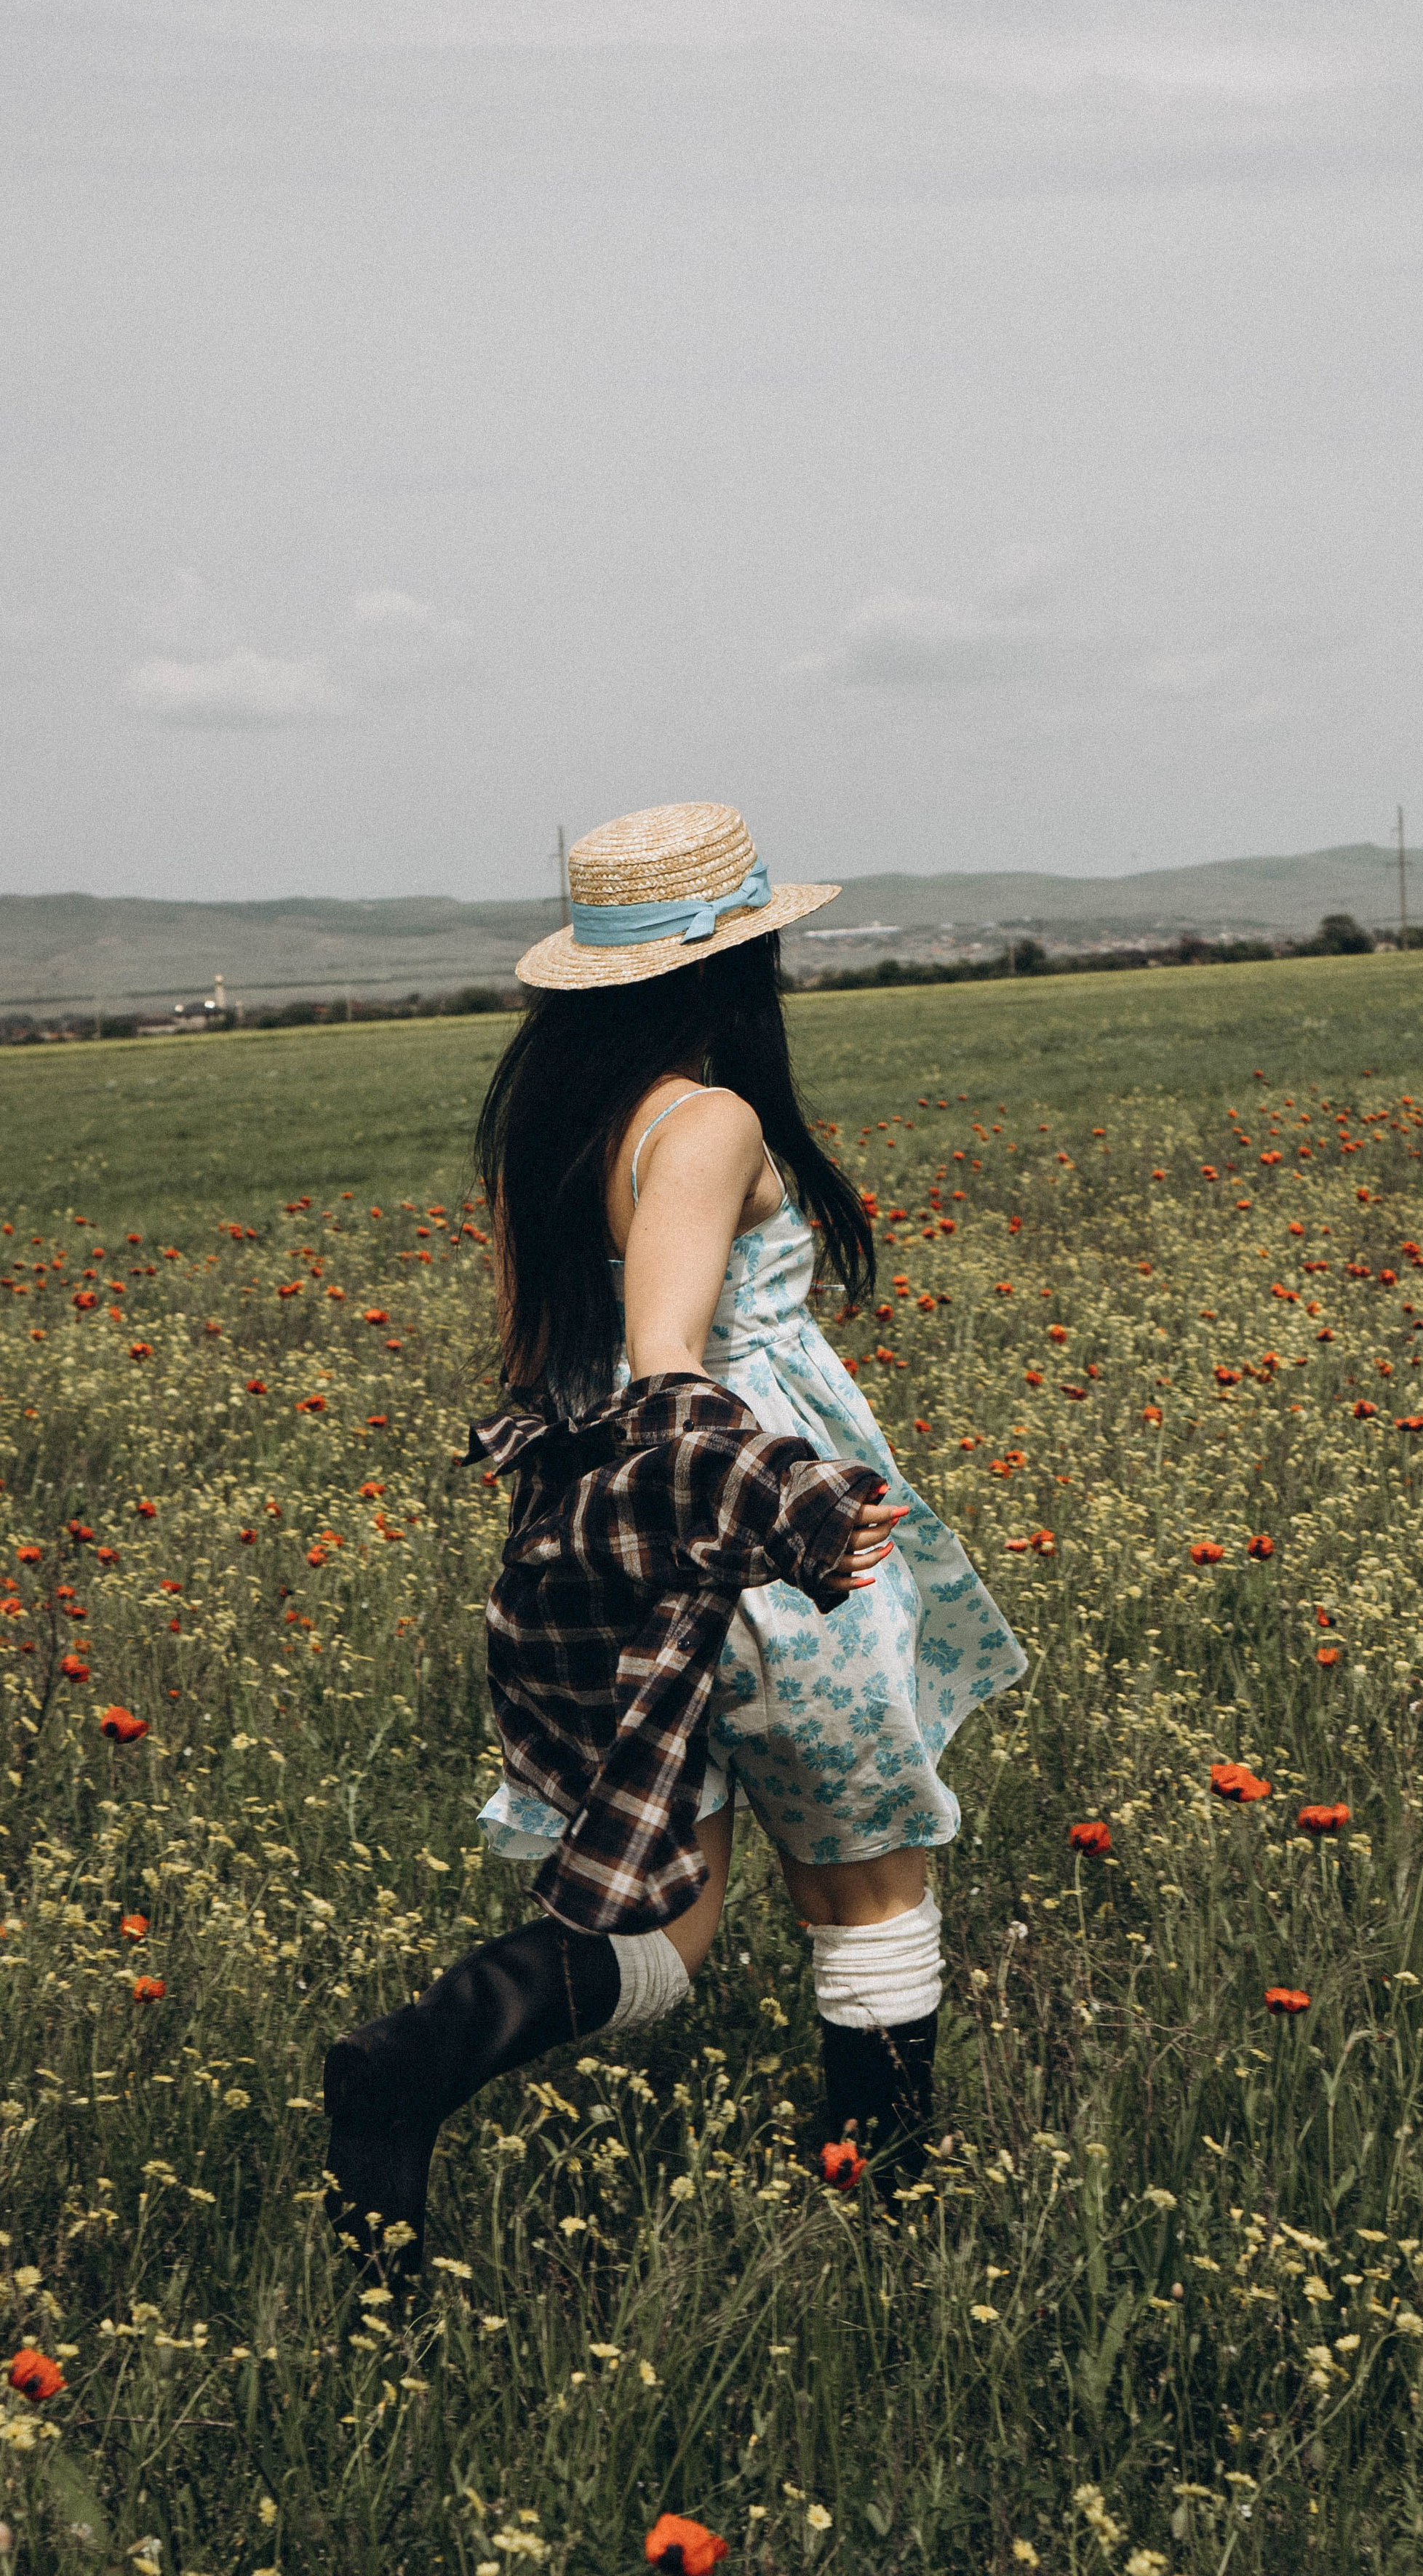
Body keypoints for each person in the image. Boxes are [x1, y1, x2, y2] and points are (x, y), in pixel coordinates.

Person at [324, 801, 1024, 2281]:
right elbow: (666, 1363)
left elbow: (568, 1366)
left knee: (669, 1918)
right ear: (730, 961)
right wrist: (792, 1509)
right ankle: (893, 2223)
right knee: (865, 1887)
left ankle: (410, 2064)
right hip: (753, 1542)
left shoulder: (556, 1123)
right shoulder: (707, 1123)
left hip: (602, 1541)